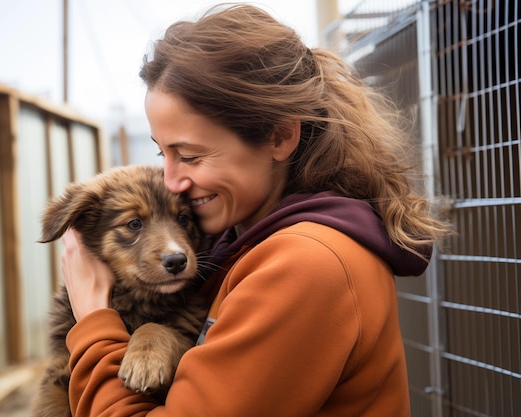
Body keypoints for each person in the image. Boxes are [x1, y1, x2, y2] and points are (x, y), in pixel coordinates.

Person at [59, 3, 450, 416]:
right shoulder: (243, 243)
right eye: (163, 152)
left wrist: (94, 323)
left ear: (279, 137)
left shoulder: (307, 265)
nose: (170, 181)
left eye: (189, 156)